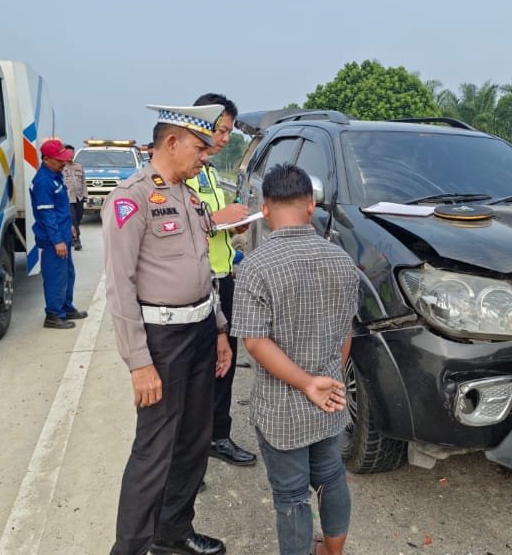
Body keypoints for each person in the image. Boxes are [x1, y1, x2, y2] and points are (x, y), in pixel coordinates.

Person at [103, 103, 249, 555]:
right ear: (171, 142)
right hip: (162, 343)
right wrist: (139, 363)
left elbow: (204, 270)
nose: (206, 155)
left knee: (193, 440)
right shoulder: (131, 199)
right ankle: (129, 548)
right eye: (200, 147)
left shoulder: (189, 197)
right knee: (154, 451)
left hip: (201, 332)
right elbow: (120, 287)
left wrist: (220, 330)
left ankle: (172, 532)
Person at [233, 163, 360, 555]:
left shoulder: (256, 266)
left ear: (264, 208)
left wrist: (306, 383)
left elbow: (256, 343)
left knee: (291, 497)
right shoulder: (342, 261)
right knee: (331, 477)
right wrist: (327, 380)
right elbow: (345, 332)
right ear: (310, 207)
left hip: (282, 409)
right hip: (330, 398)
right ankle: (332, 552)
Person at [188, 94, 256, 467]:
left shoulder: (211, 172)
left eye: (229, 131)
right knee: (198, 369)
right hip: (198, 284)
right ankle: (190, 452)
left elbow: (213, 225)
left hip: (223, 276)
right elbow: (175, 228)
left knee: (224, 363)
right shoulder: (181, 175)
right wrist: (218, 220)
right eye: (222, 130)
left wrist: (233, 225)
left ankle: (218, 435)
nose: (226, 138)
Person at [30, 138, 86, 328]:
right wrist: (57, 241)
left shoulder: (55, 175)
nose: (64, 163)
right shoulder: (43, 181)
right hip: (53, 239)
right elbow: (47, 215)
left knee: (67, 274)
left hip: (63, 233)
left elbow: (60, 208)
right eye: (59, 160)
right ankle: (53, 315)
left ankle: (66, 308)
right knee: (55, 277)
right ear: (46, 159)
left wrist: (70, 226)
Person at [63, 144, 87, 251]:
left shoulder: (79, 166)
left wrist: (85, 195)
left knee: (78, 218)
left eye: (72, 153)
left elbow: (83, 182)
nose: (70, 155)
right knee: (72, 219)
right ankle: (77, 239)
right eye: (68, 153)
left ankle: (71, 236)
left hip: (79, 197)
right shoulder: (61, 167)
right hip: (68, 198)